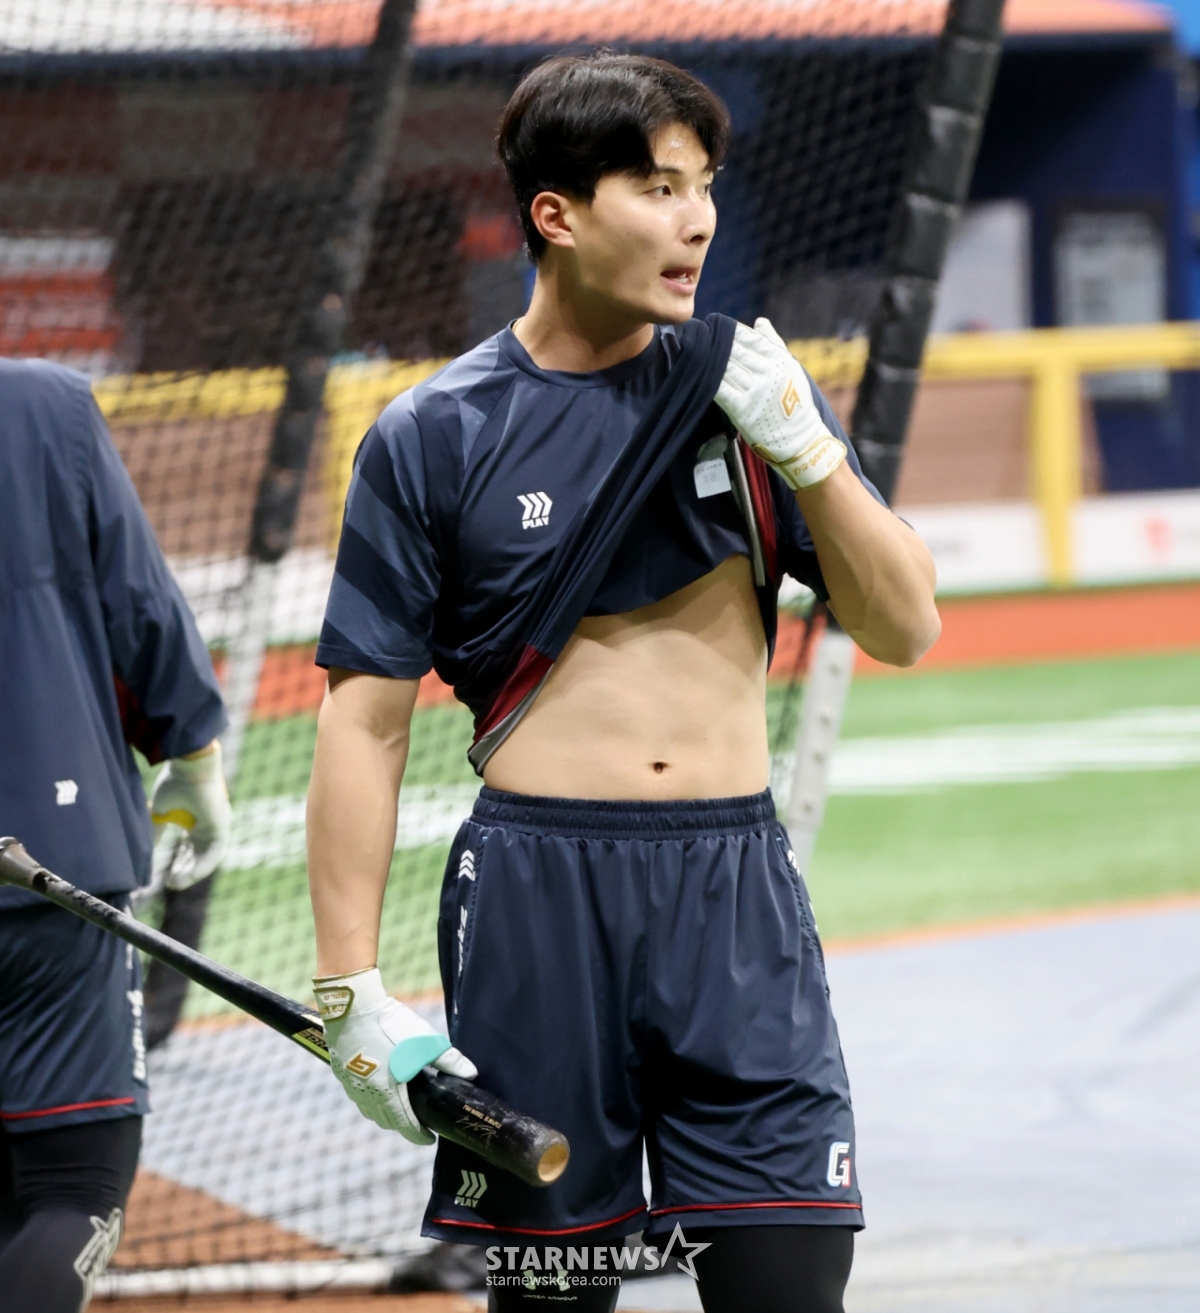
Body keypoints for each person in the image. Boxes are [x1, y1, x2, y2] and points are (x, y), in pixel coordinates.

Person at [307, 53, 939, 1313]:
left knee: (790, 1279)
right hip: (537, 897)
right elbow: (364, 721)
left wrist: (811, 452)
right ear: (557, 213)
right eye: (657, 187)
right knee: (555, 1291)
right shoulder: (435, 433)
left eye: (702, 186)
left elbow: (905, 624)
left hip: (735, 894)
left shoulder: (752, 395)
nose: (695, 219)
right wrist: (349, 987)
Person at [0, 358, 230, 1311]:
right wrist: (193, 753)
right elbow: (138, 602)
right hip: (51, 863)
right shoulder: (43, 404)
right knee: (74, 1186)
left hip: (51, 866)